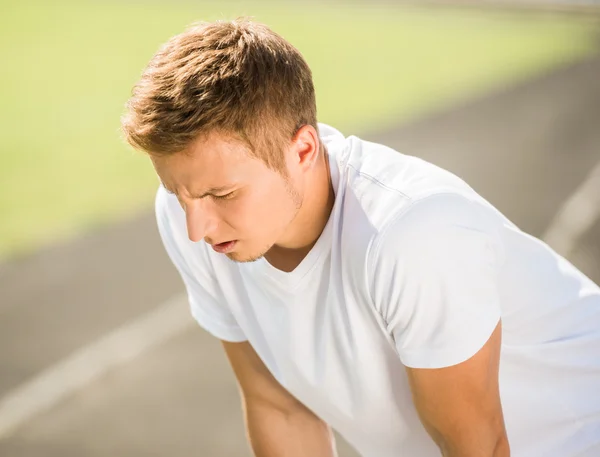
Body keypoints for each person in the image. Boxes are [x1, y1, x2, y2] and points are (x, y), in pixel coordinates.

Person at [121, 18, 600, 457]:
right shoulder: (191, 215)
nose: (196, 228)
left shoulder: (412, 236)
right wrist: (199, 197)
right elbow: (280, 408)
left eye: (223, 194)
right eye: (177, 193)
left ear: (303, 150)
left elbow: (476, 444)